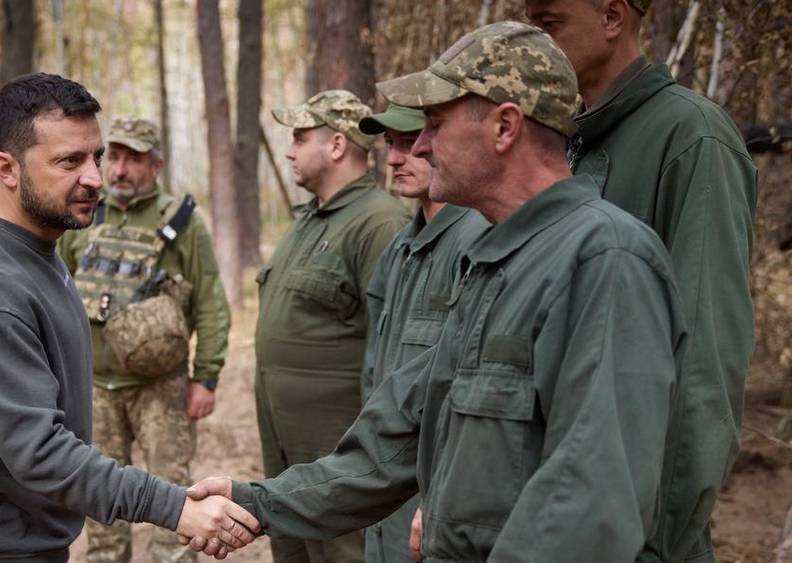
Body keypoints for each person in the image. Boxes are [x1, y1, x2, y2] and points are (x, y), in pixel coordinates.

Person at [183, 22, 687, 562]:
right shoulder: (494, 263)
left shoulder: (604, 259)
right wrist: (257, 502)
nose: (419, 146)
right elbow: (390, 445)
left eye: (435, 124)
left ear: (504, 127)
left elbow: (590, 505)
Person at [0, 73, 257, 563]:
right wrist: (174, 506)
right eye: (70, 161)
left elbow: (208, 303)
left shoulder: (37, 246)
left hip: (23, 538)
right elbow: (41, 452)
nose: (95, 177)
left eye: (96, 156)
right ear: (6, 168)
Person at [523, 2, 758, 561]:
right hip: (554, 515)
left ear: (612, 17)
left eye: (549, 23)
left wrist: (655, 539)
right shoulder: (566, 142)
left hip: (630, 533)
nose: (534, 41)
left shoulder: (693, 136)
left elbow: (704, 367)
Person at [58, 116, 231, 563]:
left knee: (176, 502)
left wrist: (206, 377)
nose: (119, 169)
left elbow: (210, 301)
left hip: (161, 388)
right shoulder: (82, 216)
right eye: (113, 157)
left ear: (156, 165)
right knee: (100, 505)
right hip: (94, 387)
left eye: (132, 159)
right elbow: (55, 292)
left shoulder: (182, 222)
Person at [254, 89, 411, 563]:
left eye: (300, 138)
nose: (290, 151)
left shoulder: (379, 223)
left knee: (344, 550)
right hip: (286, 435)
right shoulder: (308, 221)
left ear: (337, 145)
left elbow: (395, 347)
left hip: (338, 440)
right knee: (292, 544)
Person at [356, 104, 488, 563]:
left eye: (410, 143)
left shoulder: (478, 240)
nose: (395, 158)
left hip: (435, 494)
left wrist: (446, 497)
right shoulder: (400, 248)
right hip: (387, 486)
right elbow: (375, 373)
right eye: (390, 144)